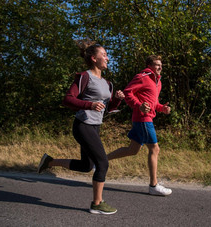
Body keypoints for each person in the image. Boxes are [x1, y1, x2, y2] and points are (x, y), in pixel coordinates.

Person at [37, 40, 125, 215]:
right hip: (83, 125)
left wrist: (117, 99)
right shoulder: (85, 76)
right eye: (104, 55)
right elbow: (68, 99)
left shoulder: (107, 83)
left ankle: (49, 161)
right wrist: (89, 105)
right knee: (102, 163)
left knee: (86, 165)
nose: (107, 58)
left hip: (95, 126)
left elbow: (107, 109)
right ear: (94, 58)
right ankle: (97, 203)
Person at [107, 55, 172, 196]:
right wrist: (138, 106)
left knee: (132, 150)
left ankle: (101, 161)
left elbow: (153, 102)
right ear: (149, 66)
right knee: (155, 149)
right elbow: (127, 92)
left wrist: (162, 108)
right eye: (156, 64)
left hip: (145, 118)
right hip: (143, 118)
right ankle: (153, 185)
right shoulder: (142, 77)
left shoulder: (158, 82)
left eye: (161, 65)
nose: (160, 67)